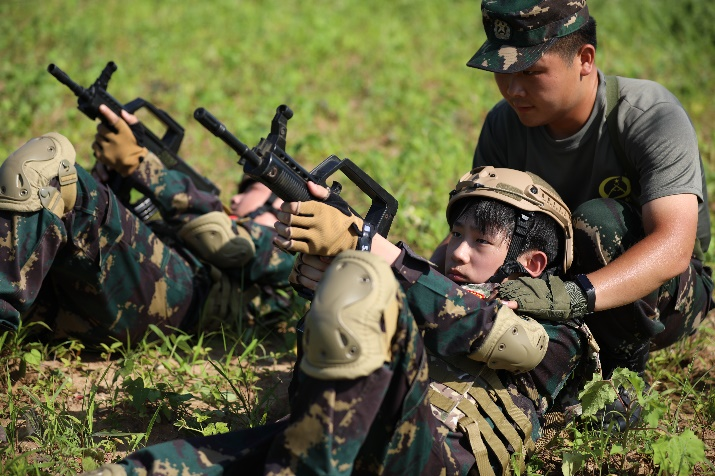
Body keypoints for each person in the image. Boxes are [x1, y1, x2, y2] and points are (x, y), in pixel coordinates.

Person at [86, 166, 599, 476]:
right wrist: (327, 269)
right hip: (332, 439)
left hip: (430, 460)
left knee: (364, 282)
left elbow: (489, 332)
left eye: (480, 242)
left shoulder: (561, 334)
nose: (458, 253)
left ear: (530, 263)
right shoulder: (423, 284)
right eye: (455, 234)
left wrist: (370, 254)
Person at [428, 0, 714, 382]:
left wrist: (572, 297)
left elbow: (674, 247)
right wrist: (421, 277)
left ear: (584, 59)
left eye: (531, 72)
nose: (513, 89)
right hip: (551, 277)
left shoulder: (648, 115)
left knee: (598, 221)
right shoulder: (504, 124)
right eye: (503, 71)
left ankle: (618, 378)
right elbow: (479, 228)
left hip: (662, 294)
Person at [0, 105, 294, 347]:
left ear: (280, 206)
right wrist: (110, 181)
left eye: (250, 190)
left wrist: (139, 164)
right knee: (51, 199)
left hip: (182, 295)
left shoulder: (286, 248)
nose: (235, 195)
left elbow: (226, 244)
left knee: (45, 165)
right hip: (108, 301)